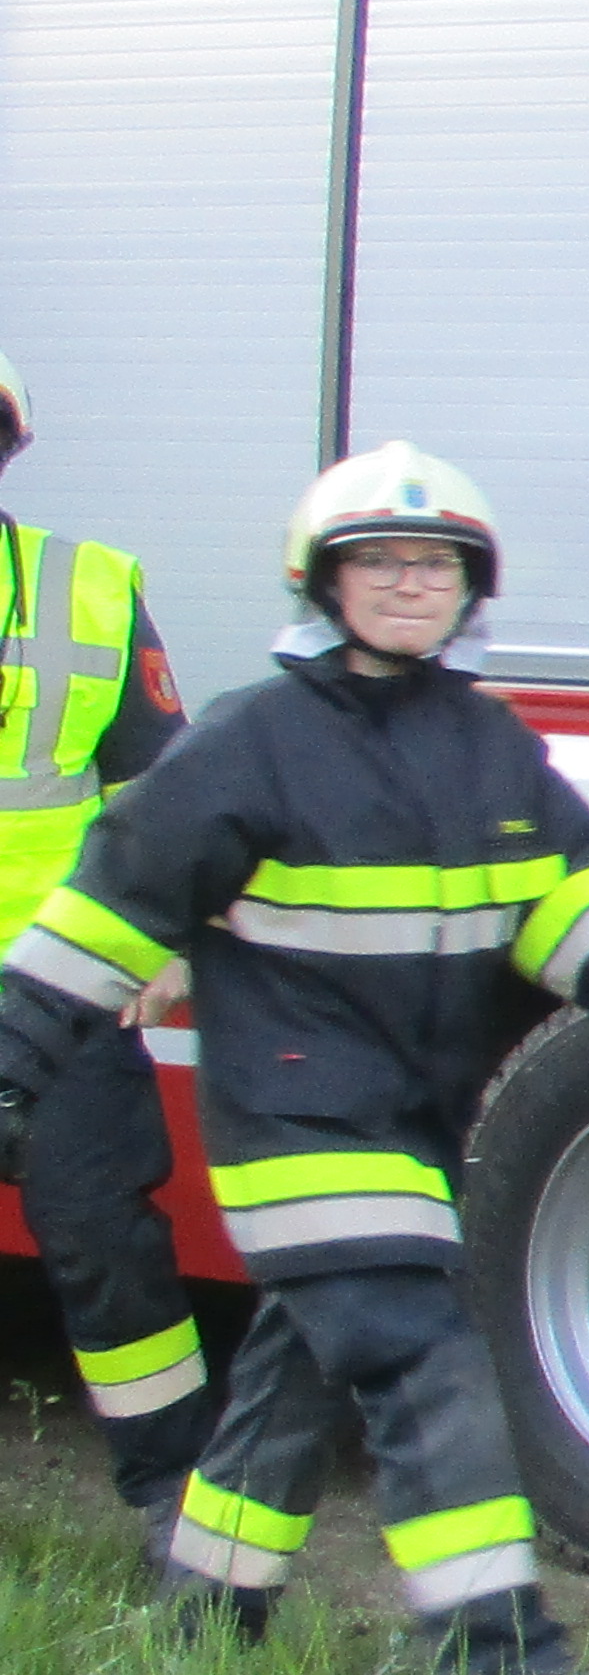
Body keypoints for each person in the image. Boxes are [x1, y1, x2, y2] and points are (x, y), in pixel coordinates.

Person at [0, 445, 589, 1675]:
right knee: (425, 1358)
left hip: (407, 1124)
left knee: (298, 1366)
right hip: (292, 1121)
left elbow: (559, 885)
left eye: (433, 564)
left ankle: (204, 1612)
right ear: (324, 583)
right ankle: (499, 1667)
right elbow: (108, 911)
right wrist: (17, 1059)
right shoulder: (251, 743)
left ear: (468, 587)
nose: (407, 583)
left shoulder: (486, 743)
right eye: (378, 561)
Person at [0, 351, 215, 1546]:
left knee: (105, 1240)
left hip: (61, 983)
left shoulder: (85, 588)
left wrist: (165, 939)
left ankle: (178, 1505)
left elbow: (155, 797)